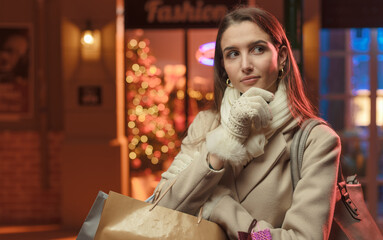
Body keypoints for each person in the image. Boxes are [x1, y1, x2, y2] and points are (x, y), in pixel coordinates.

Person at [151, 6, 341, 240]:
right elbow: (160, 211)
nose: (245, 65)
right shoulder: (206, 124)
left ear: (281, 56)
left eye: (257, 49)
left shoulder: (317, 140)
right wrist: (226, 140)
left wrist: (223, 210)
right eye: (232, 54)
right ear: (224, 67)